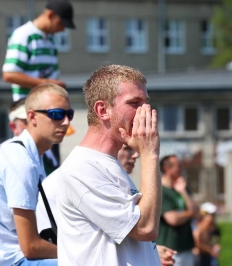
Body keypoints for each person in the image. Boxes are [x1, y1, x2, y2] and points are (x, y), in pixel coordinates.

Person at [43, 65, 161, 265]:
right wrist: (150, 154)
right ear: (103, 110)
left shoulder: (108, 163)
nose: (145, 112)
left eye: (146, 102)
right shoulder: (82, 168)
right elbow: (145, 228)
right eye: (134, 103)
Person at [0, 84, 72, 265]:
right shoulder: (21, 161)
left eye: (69, 114)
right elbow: (30, 246)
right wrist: (78, 252)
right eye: (56, 114)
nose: (66, 122)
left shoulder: (25, 154)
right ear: (32, 117)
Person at [2, 0, 75, 101]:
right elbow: (10, 75)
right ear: (51, 15)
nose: (62, 29)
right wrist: (46, 83)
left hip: (47, 103)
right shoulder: (23, 35)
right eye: (61, 23)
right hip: (26, 106)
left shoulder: (51, 39)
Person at [116, 144, 177, 266]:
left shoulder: (126, 181)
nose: (136, 155)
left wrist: (153, 251)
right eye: (128, 149)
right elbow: (144, 228)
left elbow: (129, 235)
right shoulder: (104, 184)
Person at [157, 155, 199, 266]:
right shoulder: (161, 190)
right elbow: (173, 219)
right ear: (167, 169)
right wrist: (190, 213)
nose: (181, 169)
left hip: (187, 247)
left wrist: (183, 192)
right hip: (169, 250)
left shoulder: (182, 187)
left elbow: (196, 211)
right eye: (178, 166)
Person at [5, 98, 60, 174]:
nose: (34, 124)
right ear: (13, 127)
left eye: (35, 119)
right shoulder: (8, 155)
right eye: (27, 121)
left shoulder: (46, 151)